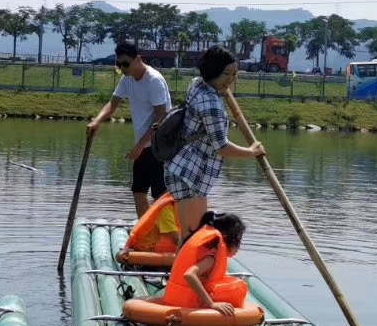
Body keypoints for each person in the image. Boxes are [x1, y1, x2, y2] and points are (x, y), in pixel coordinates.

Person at [164, 45, 265, 238]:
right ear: (213, 71)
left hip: (187, 171)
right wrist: (251, 151)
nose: (232, 79)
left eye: (235, 74)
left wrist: (221, 88)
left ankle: (185, 258)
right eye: (227, 73)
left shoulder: (197, 84)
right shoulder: (211, 104)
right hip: (186, 174)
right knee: (192, 237)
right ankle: (185, 259)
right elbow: (221, 147)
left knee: (192, 236)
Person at [87, 41, 172, 217]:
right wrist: (97, 121)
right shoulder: (127, 79)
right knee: (139, 191)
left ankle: (168, 232)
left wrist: (140, 145)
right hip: (144, 144)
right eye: (119, 64)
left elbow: (161, 117)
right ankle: (145, 229)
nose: (122, 68)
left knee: (160, 194)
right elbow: (112, 104)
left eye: (125, 63)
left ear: (138, 59)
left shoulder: (153, 80)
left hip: (161, 144)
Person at [160, 210, 248, 315]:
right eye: (238, 242)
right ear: (226, 238)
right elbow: (189, 274)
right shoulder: (211, 258)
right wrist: (212, 304)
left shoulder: (213, 253)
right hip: (188, 305)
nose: (239, 248)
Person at [115, 192, 180, 263]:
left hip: (168, 250)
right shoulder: (166, 207)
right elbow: (175, 238)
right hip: (147, 249)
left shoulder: (183, 206)